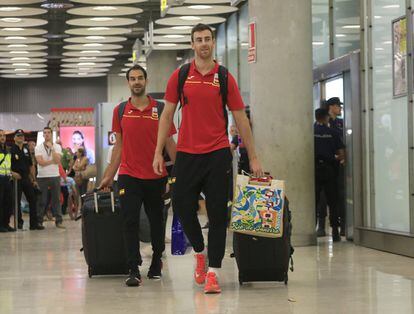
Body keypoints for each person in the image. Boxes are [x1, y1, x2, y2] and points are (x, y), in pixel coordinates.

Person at [153, 23, 263, 294]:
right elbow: (166, 115)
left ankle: (213, 272)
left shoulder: (224, 77)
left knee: (217, 215)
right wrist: (158, 151)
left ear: (213, 43)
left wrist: (254, 157)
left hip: (217, 154)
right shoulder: (180, 76)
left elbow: (240, 118)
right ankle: (199, 253)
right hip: (187, 154)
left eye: (207, 39)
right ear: (192, 45)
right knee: (180, 204)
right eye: (198, 40)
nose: (203, 43)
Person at [100, 64, 177, 287]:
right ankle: (133, 268)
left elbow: (171, 144)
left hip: (156, 176)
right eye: (132, 78)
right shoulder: (120, 110)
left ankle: (155, 262)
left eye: (140, 78)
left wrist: (181, 174)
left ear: (146, 81)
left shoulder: (161, 109)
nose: (136, 82)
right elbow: (119, 148)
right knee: (129, 221)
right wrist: (108, 176)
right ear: (128, 83)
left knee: (156, 222)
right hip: (128, 175)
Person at [314, 109, 345, 242]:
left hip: (314, 170)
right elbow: (341, 153)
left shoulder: (311, 132)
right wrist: (335, 158)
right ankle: (335, 232)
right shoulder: (333, 133)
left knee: (315, 201)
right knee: (333, 201)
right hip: (330, 170)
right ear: (326, 118)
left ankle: (314, 229)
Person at [10, 129, 43, 230]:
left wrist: (33, 180)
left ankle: (34, 224)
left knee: (33, 199)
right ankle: (19, 223)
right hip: (16, 179)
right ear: (14, 138)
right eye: (18, 136)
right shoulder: (11, 150)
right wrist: (12, 173)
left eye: (22, 136)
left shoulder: (26, 149)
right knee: (17, 201)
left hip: (26, 178)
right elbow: (7, 165)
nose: (20, 137)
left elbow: (31, 165)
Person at [35, 127, 65, 229]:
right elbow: (41, 163)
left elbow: (57, 160)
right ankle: (39, 221)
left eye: (48, 133)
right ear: (43, 135)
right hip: (42, 177)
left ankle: (59, 221)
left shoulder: (57, 147)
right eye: (45, 133)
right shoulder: (38, 147)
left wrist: (52, 148)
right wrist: (51, 161)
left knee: (56, 199)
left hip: (54, 176)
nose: (47, 134)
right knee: (42, 200)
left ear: (52, 134)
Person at [326, 97, 346, 236]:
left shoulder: (341, 123)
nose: (340, 108)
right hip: (327, 165)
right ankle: (322, 224)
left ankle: (341, 225)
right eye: (338, 106)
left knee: (339, 195)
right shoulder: (324, 122)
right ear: (331, 107)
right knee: (325, 197)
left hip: (339, 164)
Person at [0, 130, 16, 232]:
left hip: (7, 179)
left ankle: (6, 223)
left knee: (9, 202)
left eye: (4, 136)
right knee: (0, 203)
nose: (2, 137)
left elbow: (8, 165)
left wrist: (10, 174)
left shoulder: (7, 149)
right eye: (0, 136)